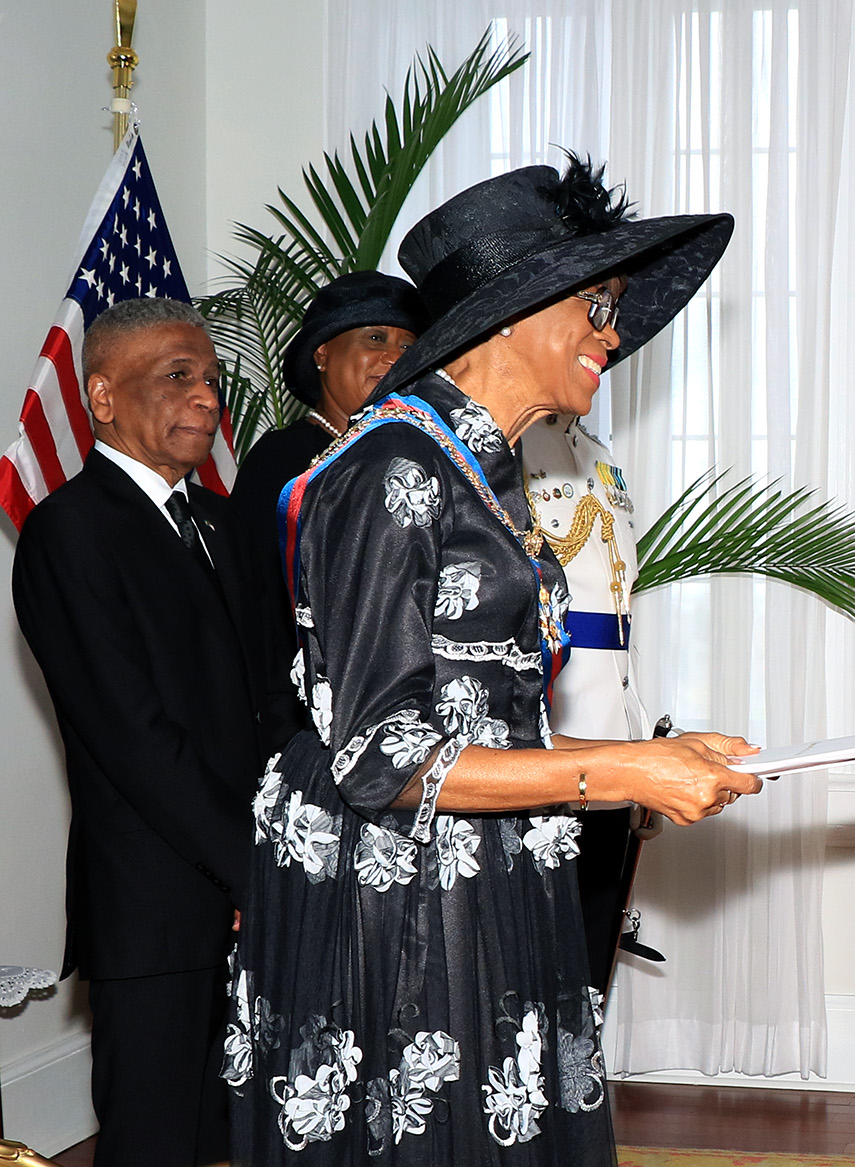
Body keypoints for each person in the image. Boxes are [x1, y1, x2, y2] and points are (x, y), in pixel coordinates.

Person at [226, 156, 758, 1164]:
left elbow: (483, 702)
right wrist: (621, 771)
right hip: (399, 894)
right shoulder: (392, 469)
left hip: (486, 859)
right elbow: (382, 758)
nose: (612, 332)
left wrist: (657, 756)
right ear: (514, 312)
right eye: (595, 305)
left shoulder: (483, 466)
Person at [13, 297, 292, 1166]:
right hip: (155, 903)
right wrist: (251, 862)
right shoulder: (69, 531)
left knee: (243, 1133)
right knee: (153, 1139)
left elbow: (270, 697)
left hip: (253, 880)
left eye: (210, 379)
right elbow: (133, 734)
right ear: (101, 398)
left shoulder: (215, 522)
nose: (207, 397)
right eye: (179, 377)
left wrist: (283, 846)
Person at [521, 411, 656, 995]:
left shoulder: (600, 453)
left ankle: (581, 1084)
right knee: (535, 961)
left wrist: (641, 736)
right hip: (547, 739)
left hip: (614, 736)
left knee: (593, 946)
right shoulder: (505, 445)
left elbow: (621, 616)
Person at [229, 270, 428, 589]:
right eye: (376, 338)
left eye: (407, 348)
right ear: (322, 354)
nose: (394, 358)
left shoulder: (424, 459)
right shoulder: (281, 460)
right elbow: (256, 592)